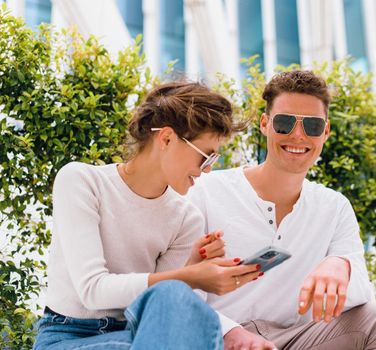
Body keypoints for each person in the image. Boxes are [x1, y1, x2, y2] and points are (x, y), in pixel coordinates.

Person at [188, 70, 376, 350]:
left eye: (311, 126)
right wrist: (228, 332)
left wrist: (341, 265)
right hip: (216, 337)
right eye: (285, 123)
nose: (298, 136)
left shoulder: (334, 207)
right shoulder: (206, 191)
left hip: (300, 339)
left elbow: (361, 295)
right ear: (265, 124)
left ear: (325, 131)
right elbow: (179, 290)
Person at [33, 81, 262, 350]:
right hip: (67, 337)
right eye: (205, 158)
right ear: (166, 138)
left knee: (180, 310)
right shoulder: (82, 181)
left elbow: (158, 304)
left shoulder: (186, 217)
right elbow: (93, 291)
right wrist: (189, 277)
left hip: (140, 335)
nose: (208, 170)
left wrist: (189, 268)